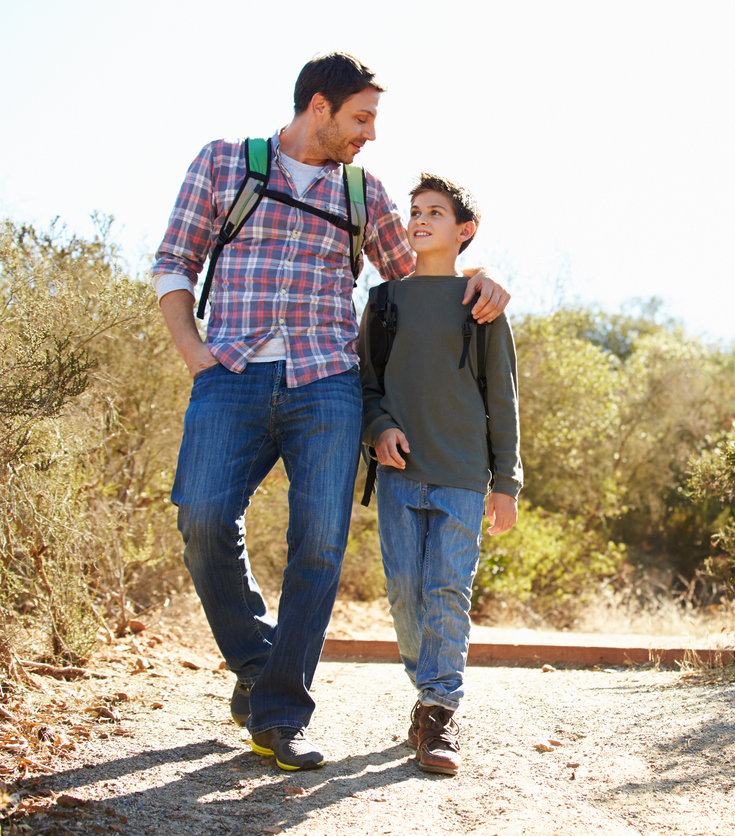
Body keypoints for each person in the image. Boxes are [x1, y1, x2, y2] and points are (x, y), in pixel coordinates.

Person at [152, 53, 509, 772]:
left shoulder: (363, 192)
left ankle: (281, 715)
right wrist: (194, 351)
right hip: (231, 373)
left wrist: (482, 280)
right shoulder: (226, 164)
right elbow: (173, 262)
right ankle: (258, 664)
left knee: (318, 547)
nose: (371, 134)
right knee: (200, 517)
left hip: (328, 384)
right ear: (320, 107)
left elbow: (415, 278)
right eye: (362, 118)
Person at [358, 174, 522, 775]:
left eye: (435, 212)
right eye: (415, 212)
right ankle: (425, 686)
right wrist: (378, 428)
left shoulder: (481, 305)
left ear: (464, 231)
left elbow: (502, 399)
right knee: (405, 592)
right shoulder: (383, 303)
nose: (420, 220)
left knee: (447, 591)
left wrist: (506, 483)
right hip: (400, 475)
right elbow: (367, 384)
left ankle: (438, 711)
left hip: (460, 474)